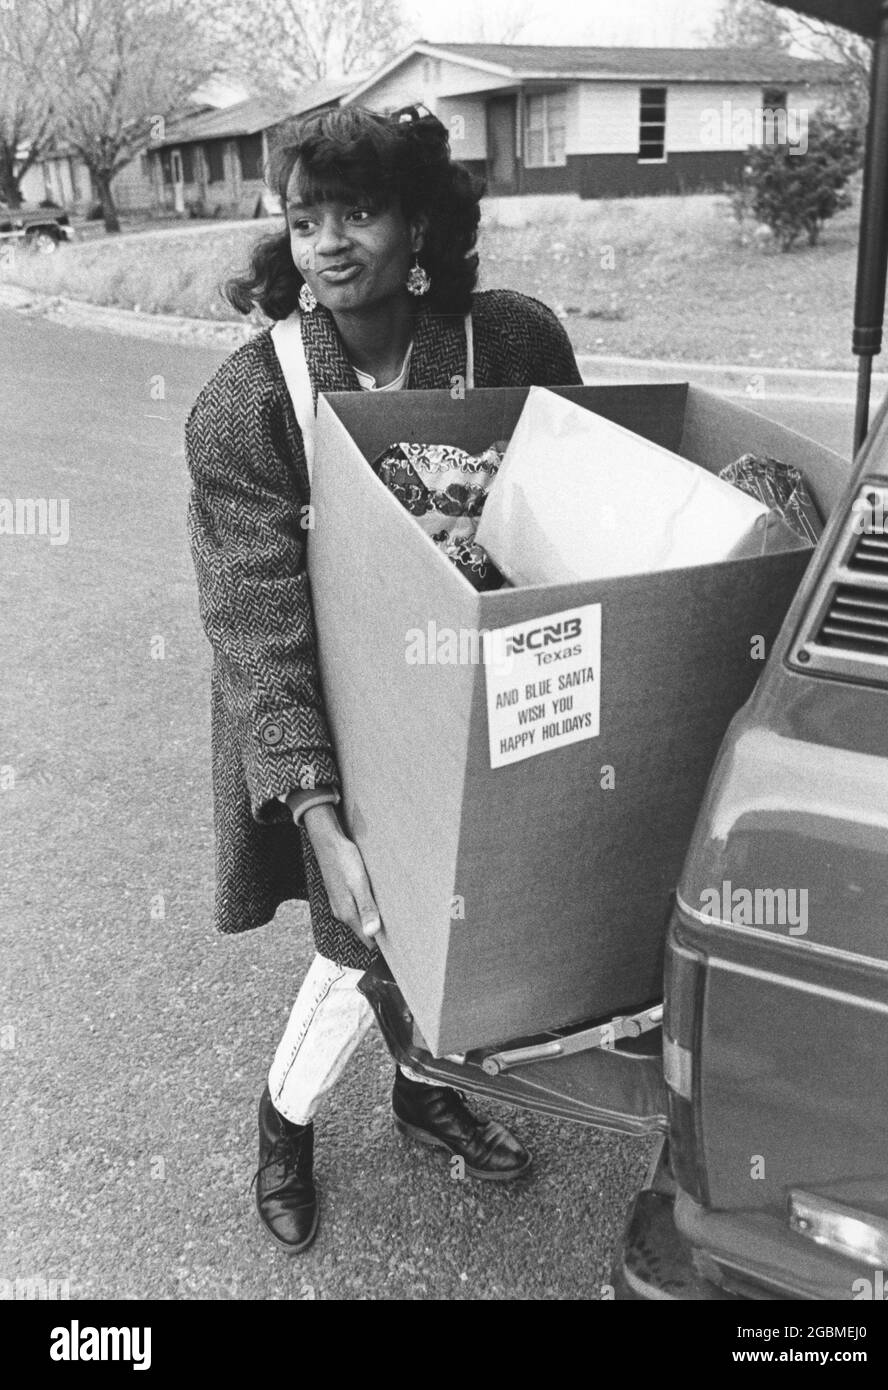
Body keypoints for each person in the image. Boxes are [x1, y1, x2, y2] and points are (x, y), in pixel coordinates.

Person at [185, 103, 583, 1255]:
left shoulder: (510, 342)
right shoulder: (251, 401)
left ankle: (421, 1093)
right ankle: (286, 1118)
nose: (327, 242)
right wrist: (320, 817)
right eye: (303, 218)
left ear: (418, 223)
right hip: (328, 711)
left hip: (483, 688)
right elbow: (255, 620)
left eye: (356, 212)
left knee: (456, 918)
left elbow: (579, 496)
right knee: (360, 932)